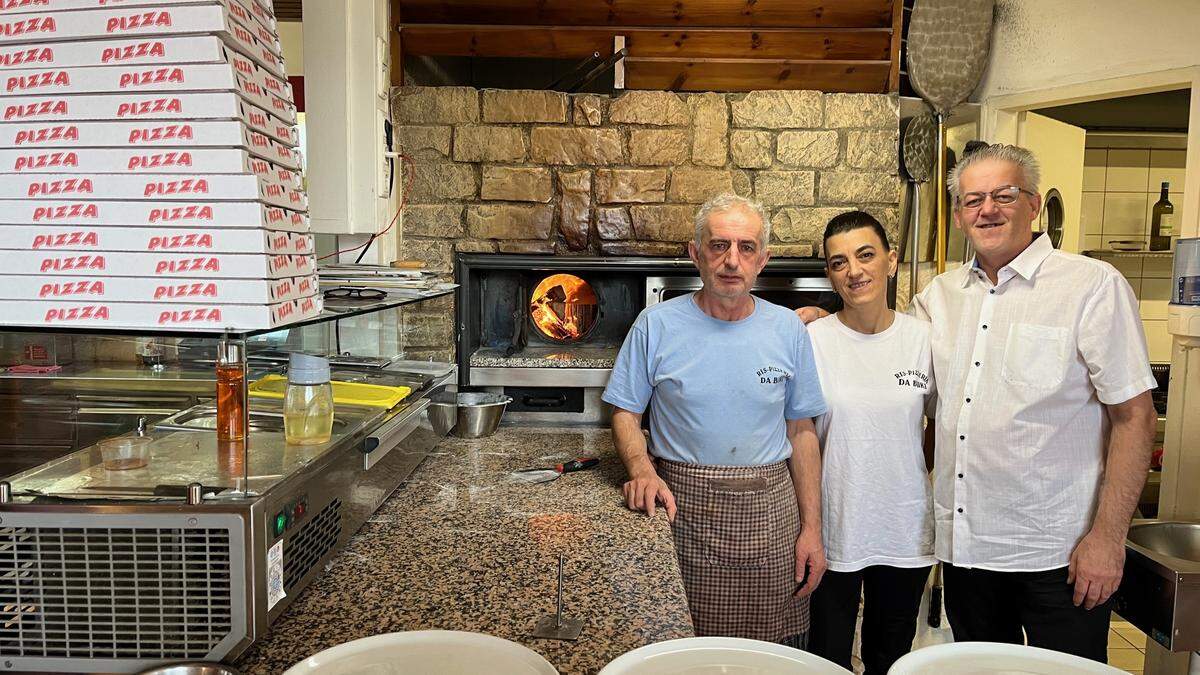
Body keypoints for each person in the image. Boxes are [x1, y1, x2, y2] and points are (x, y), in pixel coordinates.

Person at [801, 144, 1157, 662]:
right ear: (961, 215)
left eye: (1003, 195)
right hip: (967, 554)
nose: (987, 209)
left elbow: (1136, 417)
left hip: (1058, 553)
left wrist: (1107, 538)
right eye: (973, 200)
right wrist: (812, 317)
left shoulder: (1091, 286)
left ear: (1033, 204)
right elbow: (886, 362)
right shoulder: (938, 300)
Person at [602, 193, 828, 645]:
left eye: (746, 248)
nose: (731, 260)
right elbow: (625, 411)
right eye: (718, 245)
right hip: (683, 510)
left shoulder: (787, 328)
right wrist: (642, 470)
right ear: (694, 253)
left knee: (770, 654)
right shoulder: (656, 325)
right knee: (684, 646)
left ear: (762, 259)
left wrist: (813, 531)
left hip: (771, 515)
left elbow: (801, 432)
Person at [804, 211, 935, 674]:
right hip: (834, 527)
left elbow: (938, 424)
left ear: (891, 260)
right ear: (830, 274)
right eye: (839, 262)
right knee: (825, 659)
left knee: (891, 658)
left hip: (904, 529)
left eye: (865, 255)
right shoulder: (813, 340)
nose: (854, 271)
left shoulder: (924, 339)